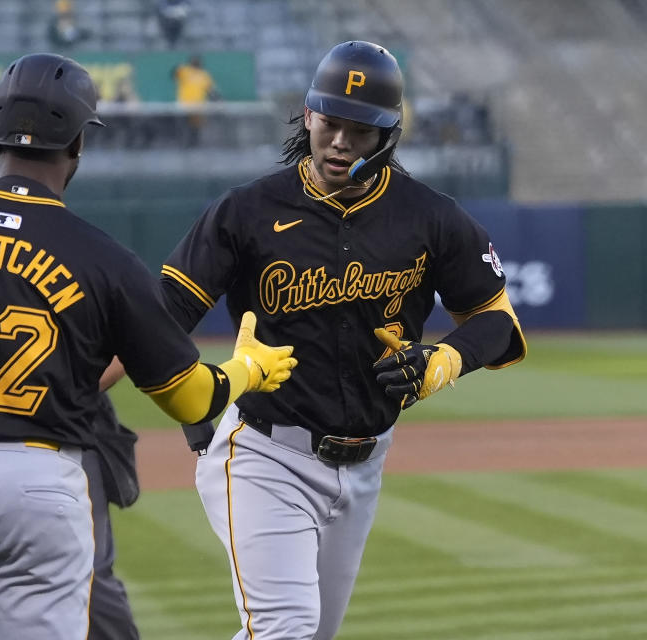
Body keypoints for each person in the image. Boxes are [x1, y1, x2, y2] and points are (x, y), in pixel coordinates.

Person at [0, 53, 297, 640]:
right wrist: (245, 371)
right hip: (42, 485)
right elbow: (190, 400)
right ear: (77, 144)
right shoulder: (105, 257)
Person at [157, 41, 527, 639]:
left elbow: (497, 320)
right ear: (308, 115)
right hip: (265, 454)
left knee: (307, 634)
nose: (339, 143)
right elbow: (162, 316)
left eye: (359, 131)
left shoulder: (427, 216)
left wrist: (445, 360)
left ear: (388, 134)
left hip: (365, 461)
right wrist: (195, 393)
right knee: (285, 628)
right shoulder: (247, 212)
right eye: (330, 124)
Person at [0, 169, 143, 640]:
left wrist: (67, 393)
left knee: (89, 585)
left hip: (70, 443)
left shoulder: (46, 263)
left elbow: (129, 345)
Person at [171, 55, 218, 147]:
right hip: (184, 105)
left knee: (196, 127)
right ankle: (182, 144)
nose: (196, 63)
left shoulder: (204, 74)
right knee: (183, 126)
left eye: (197, 61)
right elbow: (173, 75)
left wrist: (217, 99)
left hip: (198, 106)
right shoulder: (185, 71)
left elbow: (210, 89)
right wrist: (177, 67)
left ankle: (194, 145)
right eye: (194, 61)